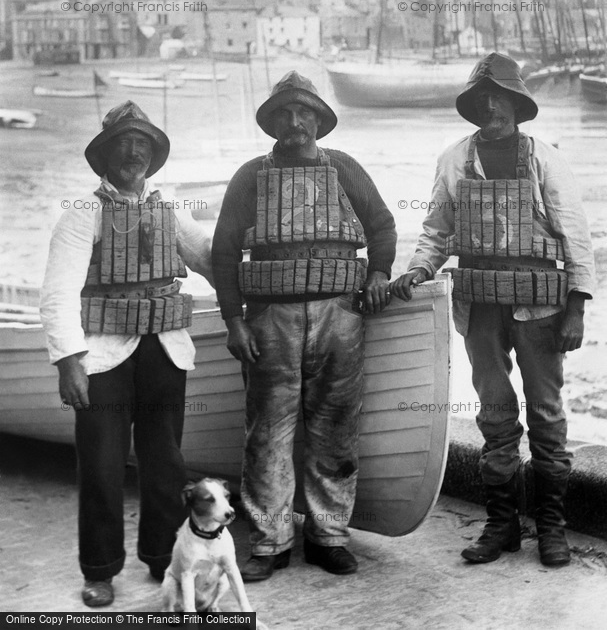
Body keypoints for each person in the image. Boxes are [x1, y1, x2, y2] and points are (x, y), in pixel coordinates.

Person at [392, 53, 595, 568]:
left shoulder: (546, 159)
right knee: (496, 413)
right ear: (473, 108)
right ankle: (501, 524)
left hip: (540, 305)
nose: (491, 109)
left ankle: (551, 527)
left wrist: (578, 307)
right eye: (482, 101)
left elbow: (576, 237)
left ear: (518, 106)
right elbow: (436, 230)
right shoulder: (453, 160)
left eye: (500, 99)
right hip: (480, 303)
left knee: (547, 414)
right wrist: (418, 270)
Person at [212, 70, 396, 580]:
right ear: (272, 123)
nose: (295, 123)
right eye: (285, 115)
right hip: (271, 320)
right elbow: (225, 250)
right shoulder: (250, 176)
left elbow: (381, 225)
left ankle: (329, 537)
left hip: (340, 314)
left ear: (319, 120)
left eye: (304, 113)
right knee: (266, 433)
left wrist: (379, 272)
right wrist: (233, 321)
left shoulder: (346, 169)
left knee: (335, 431)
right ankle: (269, 542)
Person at [40, 101, 213, 607]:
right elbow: (57, 293)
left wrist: (250, 290)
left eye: (142, 144)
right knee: (101, 465)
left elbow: (208, 257)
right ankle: (99, 570)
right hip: (102, 357)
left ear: (153, 155)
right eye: (123, 143)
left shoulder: (169, 211)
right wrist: (69, 361)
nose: (132, 152)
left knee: (166, 463)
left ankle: (164, 558)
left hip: (165, 351)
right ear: (106, 154)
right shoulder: (82, 215)